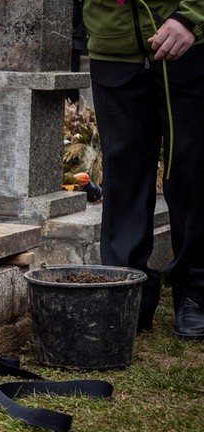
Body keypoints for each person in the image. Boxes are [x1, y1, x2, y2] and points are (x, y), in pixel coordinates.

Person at [80, 0, 204, 340]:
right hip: (113, 51)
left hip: (188, 47)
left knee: (191, 173)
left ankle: (195, 291)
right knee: (123, 179)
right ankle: (127, 292)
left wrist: (193, 17)